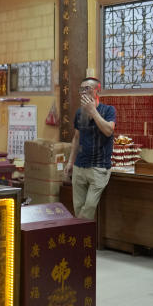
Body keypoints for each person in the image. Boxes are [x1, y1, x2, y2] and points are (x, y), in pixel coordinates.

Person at [63, 77, 116, 220]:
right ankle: (83, 238)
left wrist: (93, 111)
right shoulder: (79, 113)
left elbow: (109, 131)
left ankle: (80, 235)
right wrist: (70, 162)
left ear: (96, 91)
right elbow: (76, 138)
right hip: (80, 166)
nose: (83, 93)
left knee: (89, 208)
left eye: (86, 89)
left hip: (99, 168)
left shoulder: (108, 110)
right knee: (78, 207)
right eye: (81, 89)